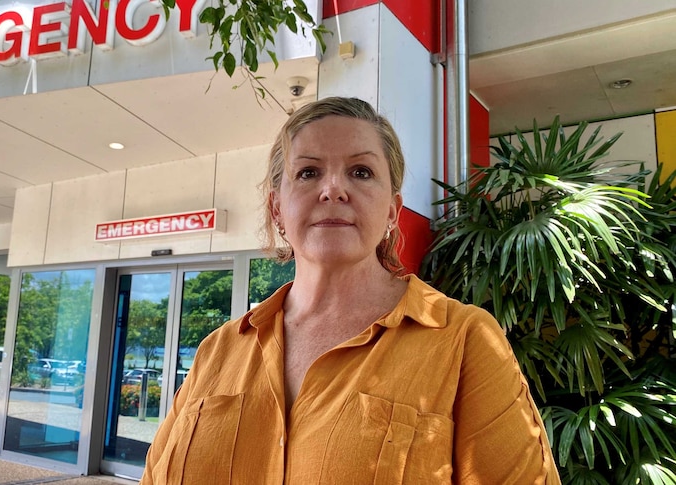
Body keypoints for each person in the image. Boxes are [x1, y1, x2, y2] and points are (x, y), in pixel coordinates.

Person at [140, 97, 559, 484]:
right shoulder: (218, 351)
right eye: (308, 172)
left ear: (392, 212)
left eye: (361, 172)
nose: (333, 189)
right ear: (277, 209)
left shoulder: (464, 340)